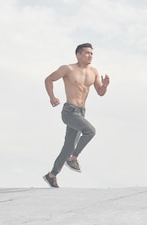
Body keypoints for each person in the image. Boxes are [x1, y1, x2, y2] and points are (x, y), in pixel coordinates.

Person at [43, 43, 110, 188]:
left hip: (81, 113)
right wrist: (52, 97)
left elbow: (100, 92)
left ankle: (52, 175)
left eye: (91, 53)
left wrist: (104, 85)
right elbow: (48, 79)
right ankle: (73, 158)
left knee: (67, 147)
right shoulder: (68, 69)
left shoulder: (94, 72)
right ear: (78, 55)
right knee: (90, 131)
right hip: (69, 112)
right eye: (86, 53)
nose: (90, 56)